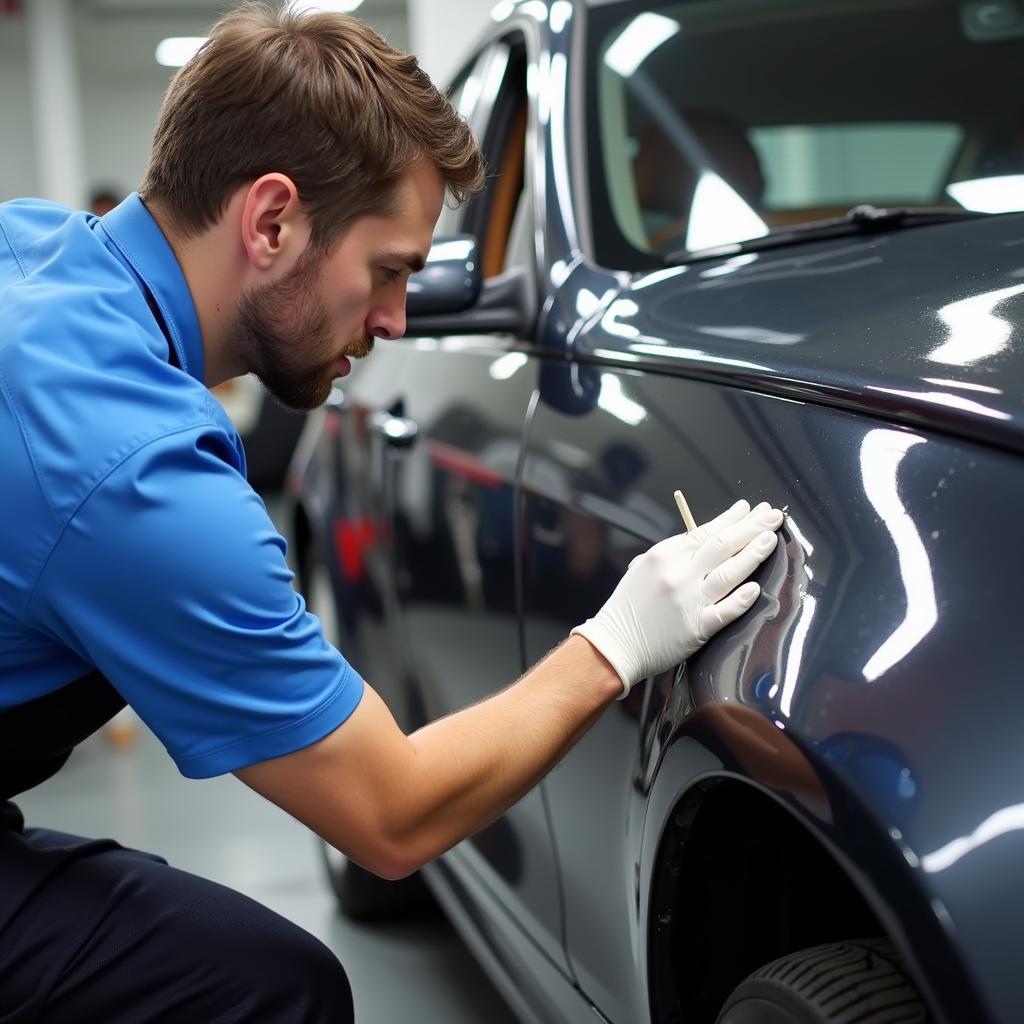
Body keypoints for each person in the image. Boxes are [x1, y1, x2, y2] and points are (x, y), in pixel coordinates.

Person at [0, 3, 784, 1020]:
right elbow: (391, 813)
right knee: (271, 989)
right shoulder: (137, 471)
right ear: (271, 221)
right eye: (389, 271)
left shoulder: (36, 244)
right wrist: (615, 642)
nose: (397, 321)